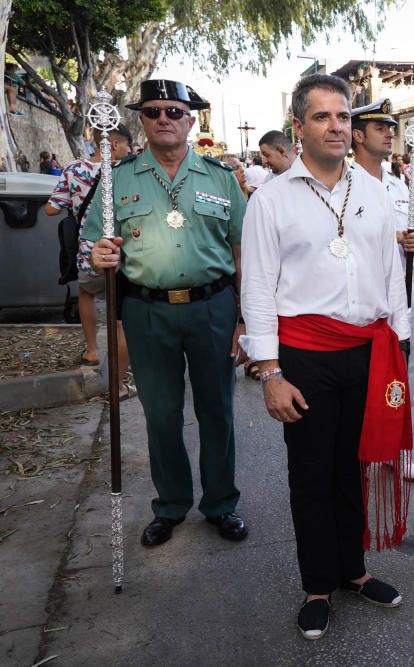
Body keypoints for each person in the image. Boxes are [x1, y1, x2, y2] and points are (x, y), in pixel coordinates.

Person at [240, 75, 411, 640]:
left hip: (367, 352)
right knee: (311, 474)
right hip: (306, 356)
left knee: (356, 467)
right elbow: (259, 288)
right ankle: (318, 584)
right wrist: (270, 371)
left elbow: (391, 272)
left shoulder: (375, 191)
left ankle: (354, 569)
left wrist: (401, 343)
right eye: (322, 117)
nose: (336, 126)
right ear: (300, 128)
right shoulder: (270, 200)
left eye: (342, 117)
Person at [86, 79, 249, 548]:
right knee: (160, 414)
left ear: (191, 119)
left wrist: (244, 318)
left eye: (173, 112)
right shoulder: (118, 177)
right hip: (147, 311)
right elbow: (96, 242)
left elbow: (241, 249)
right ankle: (171, 505)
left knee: (217, 410)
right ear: (141, 120)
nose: (164, 119)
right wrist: (99, 255)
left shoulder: (220, 178)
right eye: (153, 111)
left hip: (214, 308)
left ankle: (221, 503)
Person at [350, 96, 414, 483]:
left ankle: (399, 450)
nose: (389, 135)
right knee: (361, 380)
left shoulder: (399, 184)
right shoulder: (346, 184)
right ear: (358, 135)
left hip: (404, 295)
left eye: (391, 128)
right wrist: (390, 235)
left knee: (403, 375)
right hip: (364, 297)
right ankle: (362, 450)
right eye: (381, 128)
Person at [44, 125, 134, 400]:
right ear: (115, 145)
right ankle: (118, 384)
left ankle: (92, 351)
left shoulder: (72, 170)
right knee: (122, 317)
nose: (130, 151)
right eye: (128, 146)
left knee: (86, 294)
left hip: (89, 248)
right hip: (125, 249)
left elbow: (50, 209)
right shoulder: (129, 171)